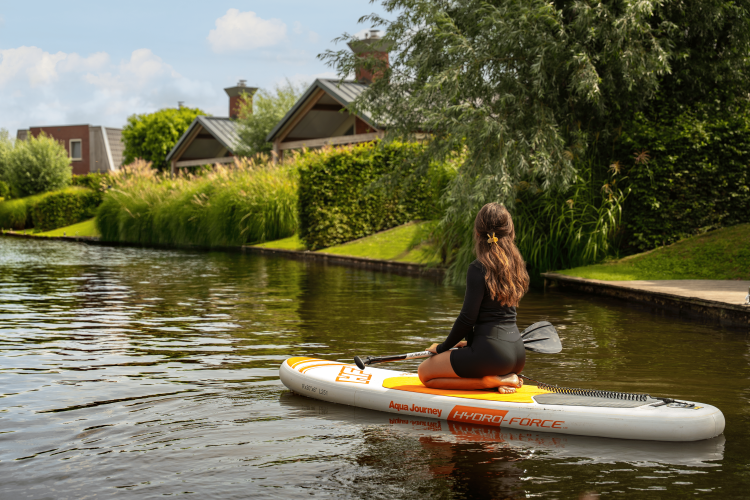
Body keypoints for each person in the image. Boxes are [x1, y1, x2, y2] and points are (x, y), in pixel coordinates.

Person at [418, 202, 530, 393]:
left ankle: (489, 382)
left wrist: (443, 347)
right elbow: (497, 317)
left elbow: (467, 319)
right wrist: (468, 343)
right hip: (517, 355)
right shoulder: (516, 265)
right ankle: (506, 377)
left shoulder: (478, 267)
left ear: (478, 233)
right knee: (463, 356)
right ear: (510, 232)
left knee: (425, 374)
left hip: (491, 355)